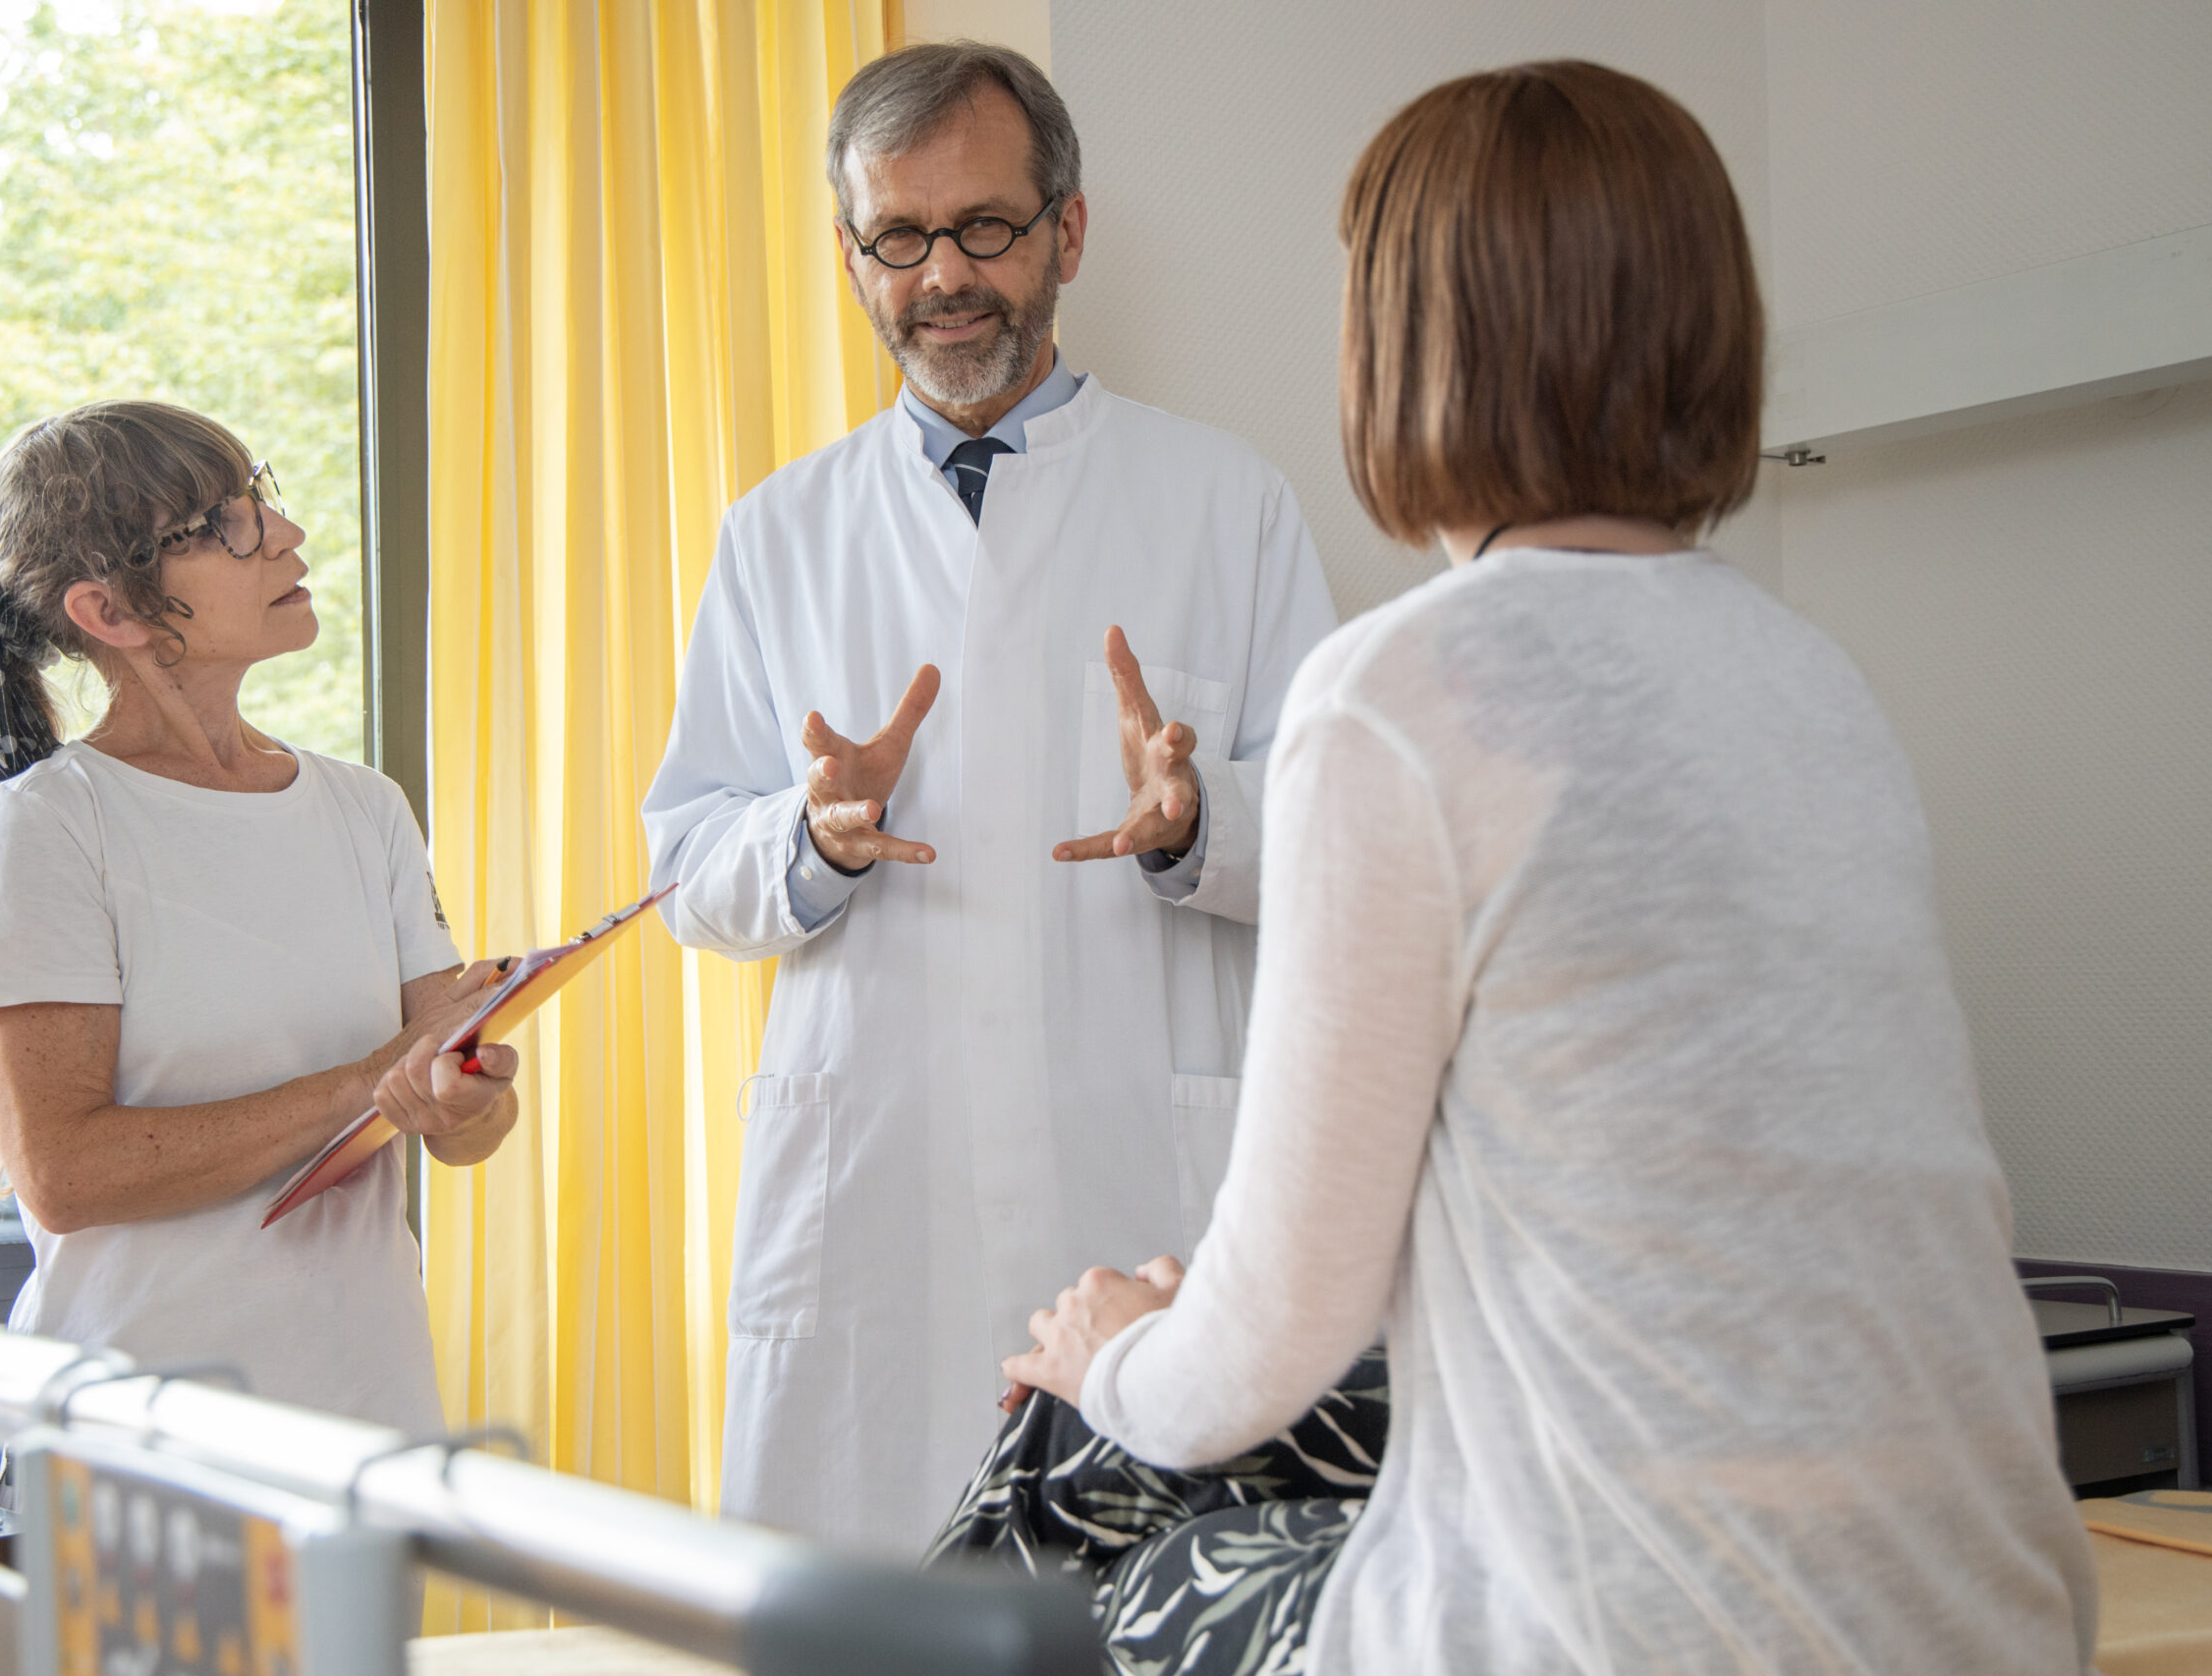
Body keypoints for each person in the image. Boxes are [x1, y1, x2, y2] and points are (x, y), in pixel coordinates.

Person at [943, 60, 2098, 1676]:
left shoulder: (1409, 692)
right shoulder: (1811, 684)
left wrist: (1114, 1347)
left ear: (1403, 345)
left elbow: (1245, 1369)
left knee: (1057, 1501)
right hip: (1981, 1606)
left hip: (1641, 1636)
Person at [641, 42, 1337, 1547]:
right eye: (900, 236)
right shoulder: (779, 533)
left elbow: (1346, 846)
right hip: (877, 1209)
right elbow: (688, 869)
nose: (943, 273)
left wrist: (1201, 819)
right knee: (865, 1609)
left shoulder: (1228, 502)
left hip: (1133, 1199)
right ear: (853, 257)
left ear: (1065, 233)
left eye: (986, 228)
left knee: (1148, 1599)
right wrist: (808, 842)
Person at [0, 400, 520, 1437]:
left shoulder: (364, 805)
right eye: (220, 525)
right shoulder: (47, 826)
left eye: (259, 496)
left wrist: (467, 1104)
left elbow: (457, 1095)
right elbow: (65, 1175)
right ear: (109, 612)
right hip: (140, 1434)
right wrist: (367, 1079)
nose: (283, 534)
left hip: (365, 1407)